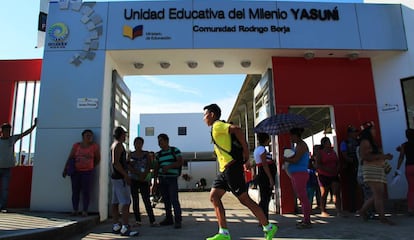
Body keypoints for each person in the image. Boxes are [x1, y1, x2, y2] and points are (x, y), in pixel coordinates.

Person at [203, 104, 277, 240]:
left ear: (212, 114)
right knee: (214, 196)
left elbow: (237, 129)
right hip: (224, 171)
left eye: (205, 115)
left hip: (232, 169)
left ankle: (268, 227)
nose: (204, 118)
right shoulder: (215, 128)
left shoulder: (217, 125)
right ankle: (223, 233)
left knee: (245, 200)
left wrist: (246, 154)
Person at [357, 121, 394, 225]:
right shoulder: (365, 142)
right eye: (373, 129)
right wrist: (383, 157)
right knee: (378, 195)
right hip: (371, 169)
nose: (375, 131)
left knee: (378, 194)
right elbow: (365, 157)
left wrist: (383, 157)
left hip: (376, 168)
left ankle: (363, 210)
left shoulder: (370, 142)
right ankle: (382, 218)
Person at [0, 118, 37, 212]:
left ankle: (2, 207)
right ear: (2, 131)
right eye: (6, 131)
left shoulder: (12, 139)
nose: (8, 133)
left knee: (5, 189)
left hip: (7, 168)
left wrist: (34, 126)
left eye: (9, 131)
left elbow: (24, 134)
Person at [62, 129, 100, 217]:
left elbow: (98, 158)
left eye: (91, 136)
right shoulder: (76, 146)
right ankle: (75, 210)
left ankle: (85, 210)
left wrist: (91, 165)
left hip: (87, 172)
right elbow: (70, 157)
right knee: (75, 191)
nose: (90, 137)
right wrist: (65, 169)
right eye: (87, 136)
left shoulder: (94, 146)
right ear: (83, 137)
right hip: (76, 171)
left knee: (86, 191)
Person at [110, 126, 139, 236]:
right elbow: (115, 162)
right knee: (126, 202)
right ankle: (125, 227)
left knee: (115, 202)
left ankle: (116, 225)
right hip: (120, 178)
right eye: (125, 134)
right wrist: (125, 175)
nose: (126, 136)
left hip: (115, 177)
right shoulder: (118, 145)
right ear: (121, 135)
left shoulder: (115, 145)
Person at [284, 127, 312, 229]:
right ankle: (305, 218)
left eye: (291, 136)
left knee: (303, 197)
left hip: (300, 173)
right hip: (296, 173)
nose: (290, 138)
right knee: (301, 197)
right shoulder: (298, 146)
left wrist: (286, 158)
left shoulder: (301, 145)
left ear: (296, 135)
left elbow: (296, 160)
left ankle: (307, 220)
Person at [154, 133, 183, 229]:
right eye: (158, 142)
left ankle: (178, 220)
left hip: (172, 178)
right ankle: (169, 218)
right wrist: (155, 182)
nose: (159, 143)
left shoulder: (175, 150)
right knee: (166, 200)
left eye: (161, 141)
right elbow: (156, 168)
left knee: (174, 199)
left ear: (166, 141)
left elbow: (180, 162)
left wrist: (169, 166)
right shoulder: (158, 154)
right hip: (162, 179)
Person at [128, 137, 158, 226]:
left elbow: (149, 165)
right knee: (135, 200)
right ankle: (138, 220)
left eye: (140, 143)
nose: (138, 145)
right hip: (134, 179)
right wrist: (137, 173)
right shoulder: (131, 154)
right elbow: (128, 166)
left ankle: (152, 220)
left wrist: (144, 174)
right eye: (136, 143)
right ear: (134, 144)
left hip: (144, 179)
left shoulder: (146, 154)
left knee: (146, 200)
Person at [315, 137, 342, 217]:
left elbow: (337, 161)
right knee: (324, 193)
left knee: (336, 192)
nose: (329, 144)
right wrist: (327, 169)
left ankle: (338, 210)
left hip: (334, 174)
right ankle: (323, 210)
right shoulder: (320, 153)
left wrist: (337, 169)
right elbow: (318, 165)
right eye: (328, 142)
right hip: (323, 175)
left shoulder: (333, 152)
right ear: (324, 144)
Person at [253, 132, 276, 221]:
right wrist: (270, 178)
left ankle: (262, 218)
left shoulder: (257, 149)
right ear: (266, 140)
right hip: (265, 175)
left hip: (262, 174)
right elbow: (265, 164)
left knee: (264, 197)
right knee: (265, 198)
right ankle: (263, 218)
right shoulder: (262, 150)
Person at [339, 125, 360, 212]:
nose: (356, 133)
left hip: (360, 165)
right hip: (351, 166)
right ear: (349, 133)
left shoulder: (359, 142)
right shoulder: (344, 143)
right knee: (352, 187)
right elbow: (344, 155)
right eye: (354, 132)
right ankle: (353, 207)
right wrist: (354, 161)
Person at [395, 128, 414, 216]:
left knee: (411, 189)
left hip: (409, 167)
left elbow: (401, 157)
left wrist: (397, 169)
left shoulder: (404, 145)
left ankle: (410, 208)